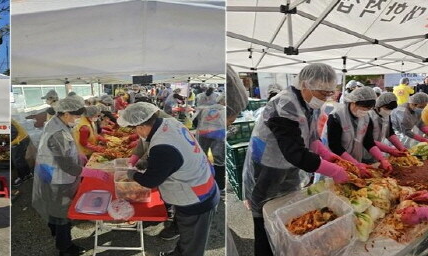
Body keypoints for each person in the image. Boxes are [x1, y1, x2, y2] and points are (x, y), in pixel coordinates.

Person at [242, 63, 351, 256]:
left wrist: (328, 155)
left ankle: (286, 248)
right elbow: (295, 152)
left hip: (289, 167)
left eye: (328, 94)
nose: (324, 98)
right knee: (265, 216)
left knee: (288, 212)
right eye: (321, 93)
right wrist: (334, 171)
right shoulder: (285, 104)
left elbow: (310, 139)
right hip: (269, 167)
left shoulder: (309, 104)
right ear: (305, 85)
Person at [118, 102, 219, 256]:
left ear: (141, 127)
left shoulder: (162, 146)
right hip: (199, 183)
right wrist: (149, 161)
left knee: (193, 246)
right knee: (188, 238)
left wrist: (132, 174)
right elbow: (174, 156)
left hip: (196, 198)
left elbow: (151, 181)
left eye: (135, 129)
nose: (138, 134)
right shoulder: (169, 122)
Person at [32, 96, 87, 256]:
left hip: (51, 172)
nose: (78, 120)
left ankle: (55, 230)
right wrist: (90, 172)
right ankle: (65, 248)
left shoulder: (58, 122)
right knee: (62, 213)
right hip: (57, 176)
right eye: (76, 116)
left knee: (54, 208)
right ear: (67, 113)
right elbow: (67, 166)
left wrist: (78, 155)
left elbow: (67, 150)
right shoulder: (57, 133)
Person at [322, 87, 392, 176]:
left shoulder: (366, 118)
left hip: (355, 162)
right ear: (354, 103)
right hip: (336, 162)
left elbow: (368, 142)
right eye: (363, 108)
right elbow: (335, 146)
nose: (365, 112)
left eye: (368, 109)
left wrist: (382, 159)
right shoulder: (337, 116)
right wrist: (355, 164)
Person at [195, 94, 226, 191]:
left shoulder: (205, 109)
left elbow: (196, 121)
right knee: (219, 161)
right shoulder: (224, 110)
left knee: (201, 157)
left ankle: (201, 181)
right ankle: (219, 185)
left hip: (203, 134)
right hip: (218, 135)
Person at [367, 92, 407, 160]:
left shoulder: (386, 116)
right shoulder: (368, 116)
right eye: (386, 108)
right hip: (365, 151)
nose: (388, 111)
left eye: (391, 109)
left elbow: (389, 133)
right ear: (379, 105)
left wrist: (401, 147)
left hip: (378, 151)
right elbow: (367, 140)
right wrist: (390, 150)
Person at [11, 119, 33, 186]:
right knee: (21, 159)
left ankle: (22, 177)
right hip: (23, 138)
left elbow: (13, 132)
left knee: (17, 161)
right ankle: (28, 174)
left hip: (19, 141)